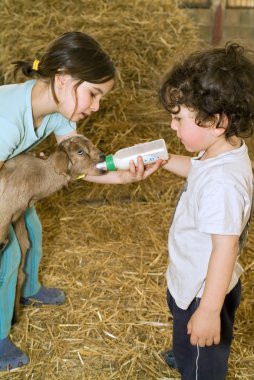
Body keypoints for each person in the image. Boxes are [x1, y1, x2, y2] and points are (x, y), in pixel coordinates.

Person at [0, 31, 161, 372]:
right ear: (63, 80)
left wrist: (122, 175)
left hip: (10, 179)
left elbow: (79, 161)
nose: (96, 106)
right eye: (93, 93)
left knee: (33, 231)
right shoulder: (8, 120)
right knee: (10, 250)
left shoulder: (57, 112)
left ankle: (28, 288)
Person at [154, 43, 254, 380]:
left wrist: (209, 311)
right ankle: (185, 353)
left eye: (179, 118)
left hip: (204, 292)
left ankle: (194, 363)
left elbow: (225, 247)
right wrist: (165, 160)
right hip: (191, 281)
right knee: (185, 335)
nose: (172, 126)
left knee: (203, 365)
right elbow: (198, 171)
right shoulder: (219, 153)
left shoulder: (223, 183)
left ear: (216, 121)